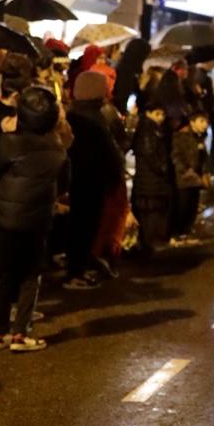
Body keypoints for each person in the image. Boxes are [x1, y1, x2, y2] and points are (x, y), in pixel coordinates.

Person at [0, 85, 68, 350]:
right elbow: (64, 183)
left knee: (1, 274)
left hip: (4, 219)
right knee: (31, 275)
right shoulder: (57, 147)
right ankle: (21, 332)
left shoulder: (7, 142)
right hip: (38, 220)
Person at [64, 71, 127, 287]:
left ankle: (78, 266)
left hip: (77, 177)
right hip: (92, 178)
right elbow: (108, 151)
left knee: (79, 223)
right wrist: (115, 173)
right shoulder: (96, 118)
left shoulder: (72, 115)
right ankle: (76, 271)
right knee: (85, 224)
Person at [131, 94, 175, 255]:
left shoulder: (150, 128)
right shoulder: (148, 130)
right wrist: (162, 168)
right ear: (148, 113)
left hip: (148, 179)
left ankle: (149, 242)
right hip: (150, 179)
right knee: (150, 212)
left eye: (162, 114)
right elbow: (150, 153)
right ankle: (149, 242)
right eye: (157, 114)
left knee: (150, 212)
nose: (161, 118)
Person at [171, 109, 212, 241]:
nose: (205, 124)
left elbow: (204, 158)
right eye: (201, 121)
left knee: (192, 208)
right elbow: (177, 157)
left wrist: (205, 173)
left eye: (206, 122)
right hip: (185, 179)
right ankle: (178, 235)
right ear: (192, 122)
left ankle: (186, 234)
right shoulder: (181, 136)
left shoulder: (200, 137)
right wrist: (187, 171)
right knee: (182, 207)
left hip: (196, 180)